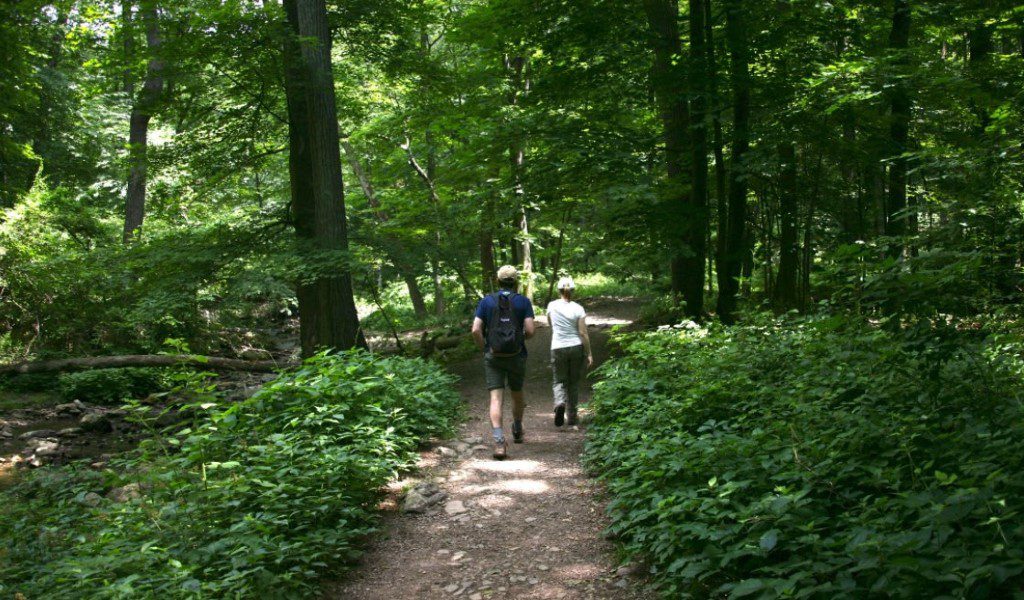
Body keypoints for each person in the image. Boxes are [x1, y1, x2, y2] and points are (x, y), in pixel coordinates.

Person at [471, 265, 536, 460]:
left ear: (497, 281)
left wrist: (485, 347)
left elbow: (475, 330)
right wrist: (518, 340)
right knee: (517, 393)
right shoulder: (523, 301)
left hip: (494, 356)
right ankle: (517, 428)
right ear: (516, 281)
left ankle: (499, 442)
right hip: (516, 355)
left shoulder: (486, 302)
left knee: (496, 399)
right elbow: (531, 331)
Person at [545, 276, 592, 429]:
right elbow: (583, 333)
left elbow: (552, 325)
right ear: (573, 291)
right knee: (573, 383)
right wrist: (589, 353)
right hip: (576, 347)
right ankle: (572, 417)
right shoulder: (578, 308)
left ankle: (559, 402)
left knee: (558, 380)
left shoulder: (551, 306)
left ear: (559, 290)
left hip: (558, 346)